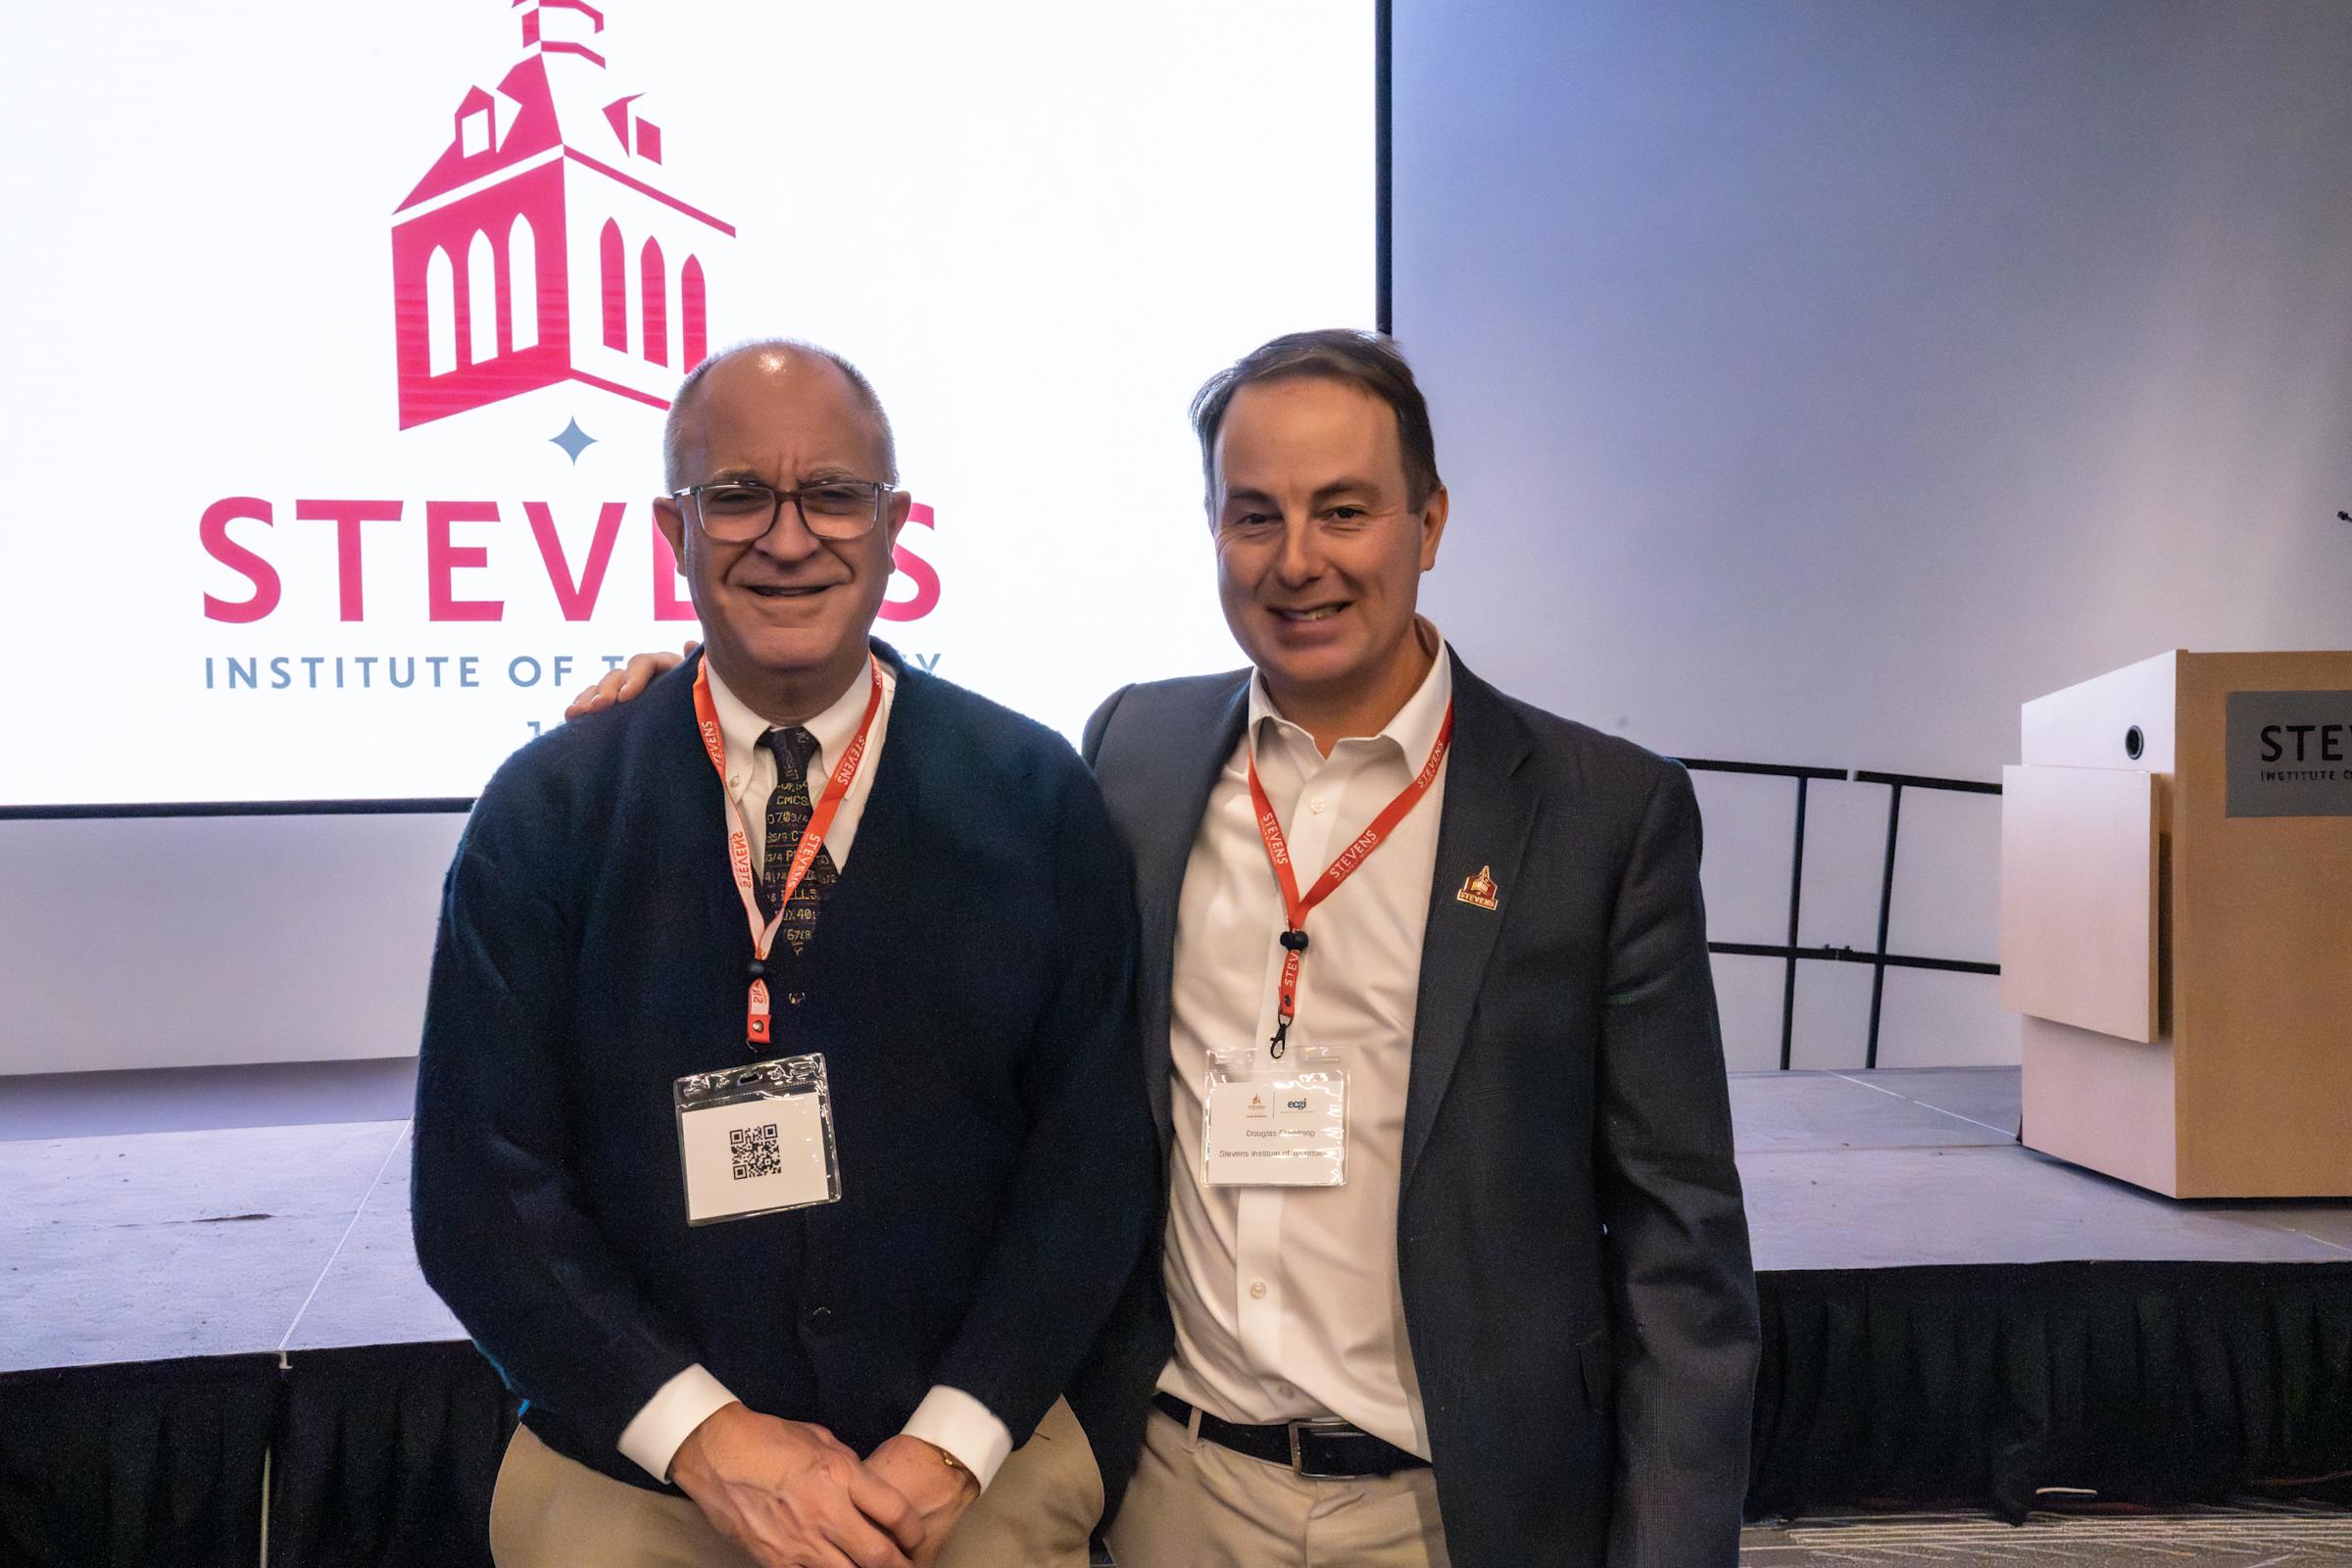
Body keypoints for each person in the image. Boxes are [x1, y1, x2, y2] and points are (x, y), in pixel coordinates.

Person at [576, 329, 1759, 1567]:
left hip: (1459, 1510)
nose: (1297, 561)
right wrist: (686, 703)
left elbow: (1682, 1246)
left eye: (1343, 510)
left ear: (1431, 520)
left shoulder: (1597, 812)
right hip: (1175, 1495)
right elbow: (874, 765)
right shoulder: (1134, 756)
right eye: (1254, 516)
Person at [416, 340, 1160, 1568]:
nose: (788, 536)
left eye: (832, 494)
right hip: (639, 1486)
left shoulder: (1035, 797)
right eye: (738, 495)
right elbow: (479, 1191)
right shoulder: (549, 811)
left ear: (895, 522)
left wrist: (953, 1446)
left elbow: (1092, 1163)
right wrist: (709, 1441)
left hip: (971, 1492)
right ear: (673, 527)